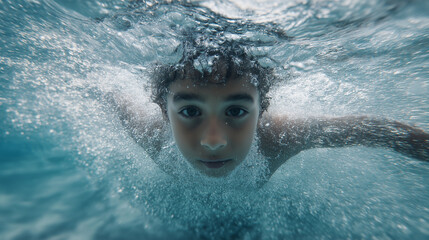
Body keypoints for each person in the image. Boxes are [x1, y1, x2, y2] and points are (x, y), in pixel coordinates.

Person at [109, 39, 429, 182]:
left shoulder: (277, 137)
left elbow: (369, 129)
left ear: (262, 111)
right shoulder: (149, 132)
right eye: (191, 112)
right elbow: (110, 95)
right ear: (164, 113)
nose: (214, 141)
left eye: (235, 111)